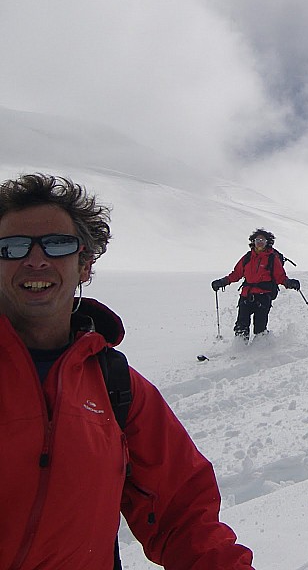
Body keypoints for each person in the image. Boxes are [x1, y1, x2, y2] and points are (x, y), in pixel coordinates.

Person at [0, 173, 255, 569]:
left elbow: (181, 515)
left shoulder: (118, 387)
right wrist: (228, 279)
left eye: (58, 244)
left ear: (84, 265)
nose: (36, 259)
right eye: (12, 247)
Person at [211, 229, 299, 341]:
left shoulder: (272, 258)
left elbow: (280, 276)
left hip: (264, 296)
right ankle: (240, 349)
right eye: (258, 240)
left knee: (260, 328)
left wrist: (289, 282)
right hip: (246, 295)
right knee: (241, 326)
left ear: (268, 242)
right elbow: (237, 273)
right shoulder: (247, 257)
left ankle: (259, 351)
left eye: (263, 240)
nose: (260, 242)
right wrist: (223, 282)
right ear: (253, 242)